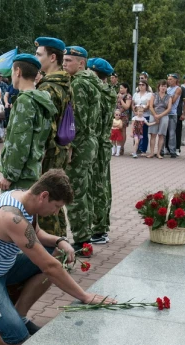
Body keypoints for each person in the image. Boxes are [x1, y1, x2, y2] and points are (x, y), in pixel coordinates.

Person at [0, 169, 116, 345]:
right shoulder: (11, 217)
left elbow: (35, 233)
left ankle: (18, 315)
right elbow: (49, 267)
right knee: (16, 340)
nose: (55, 212)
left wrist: (60, 241)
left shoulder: (24, 198)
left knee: (55, 253)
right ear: (44, 196)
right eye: (57, 206)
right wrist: (85, 296)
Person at [62, 45, 102, 252]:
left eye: (69, 60)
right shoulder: (93, 81)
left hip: (80, 143)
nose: (64, 63)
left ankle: (81, 241)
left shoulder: (78, 84)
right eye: (64, 59)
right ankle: (85, 237)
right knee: (83, 192)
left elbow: (76, 121)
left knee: (75, 194)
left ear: (81, 63)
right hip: (91, 141)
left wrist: (70, 146)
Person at [0, 54, 56, 191]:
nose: (12, 76)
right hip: (33, 169)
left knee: (14, 211)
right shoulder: (42, 99)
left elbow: (20, 142)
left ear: (18, 71)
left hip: (20, 177)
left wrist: (10, 175)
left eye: (12, 71)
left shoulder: (25, 101)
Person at [34, 36, 71, 238]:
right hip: (61, 148)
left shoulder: (48, 87)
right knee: (57, 203)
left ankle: (52, 253)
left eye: (39, 54)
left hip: (49, 151)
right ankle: (62, 246)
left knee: (46, 205)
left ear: (53, 57)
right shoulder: (65, 83)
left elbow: (46, 127)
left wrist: (37, 155)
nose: (35, 58)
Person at [87, 57, 116, 245]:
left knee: (97, 187)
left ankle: (98, 229)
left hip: (96, 143)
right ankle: (101, 226)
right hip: (103, 143)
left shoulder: (99, 92)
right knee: (103, 185)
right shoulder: (108, 91)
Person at [147, 79, 172, 159]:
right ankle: (151, 153)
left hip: (164, 116)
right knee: (153, 135)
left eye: (165, 86)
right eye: (162, 86)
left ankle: (158, 153)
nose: (163, 88)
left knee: (161, 135)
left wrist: (160, 116)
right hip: (153, 115)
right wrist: (155, 115)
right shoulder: (154, 95)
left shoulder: (169, 97)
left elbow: (169, 108)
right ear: (159, 87)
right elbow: (150, 106)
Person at [132, 79, 153, 154]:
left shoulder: (149, 94)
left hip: (145, 115)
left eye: (143, 85)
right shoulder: (136, 94)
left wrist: (142, 109)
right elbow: (133, 104)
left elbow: (148, 104)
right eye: (140, 85)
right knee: (136, 132)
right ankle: (136, 148)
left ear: (146, 86)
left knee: (144, 132)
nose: (141, 86)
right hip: (136, 116)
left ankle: (143, 149)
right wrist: (134, 111)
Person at [165, 74, 183, 158]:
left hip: (172, 113)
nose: (169, 81)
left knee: (172, 133)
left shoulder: (178, 89)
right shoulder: (167, 89)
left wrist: (167, 99)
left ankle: (172, 151)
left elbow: (173, 100)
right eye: (168, 79)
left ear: (176, 80)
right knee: (164, 132)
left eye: (171, 79)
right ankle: (164, 149)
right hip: (165, 112)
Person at [116, 83, 132, 151]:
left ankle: (122, 147)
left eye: (122, 88)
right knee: (117, 130)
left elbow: (127, 106)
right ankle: (117, 146)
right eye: (120, 88)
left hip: (124, 116)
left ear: (126, 88)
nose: (120, 89)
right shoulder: (118, 95)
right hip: (117, 115)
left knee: (123, 130)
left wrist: (121, 99)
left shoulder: (128, 96)